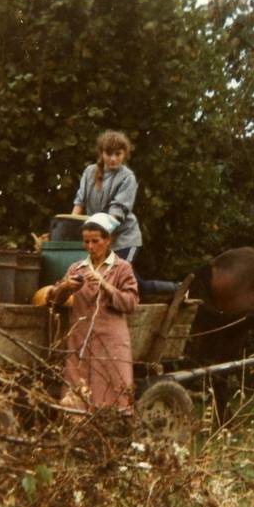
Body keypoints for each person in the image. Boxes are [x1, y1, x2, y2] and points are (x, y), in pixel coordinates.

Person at [47, 212, 140, 413]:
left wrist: (105, 284)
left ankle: (110, 440)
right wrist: (65, 288)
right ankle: (79, 441)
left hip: (110, 345)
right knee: (76, 402)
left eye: (95, 241)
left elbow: (131, 303)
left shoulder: (122, 269)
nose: (90, 247)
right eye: (86, 241)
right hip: (80, 343)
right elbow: (54, 299)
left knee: (111, 401)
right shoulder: (76, 268)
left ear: (109, 240)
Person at [71, 130, 179, 297]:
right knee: (129, 283)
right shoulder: (89, 172)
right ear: (101, 153)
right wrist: (70, 226)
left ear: (125, 154)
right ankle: (175, 288)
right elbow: (79, 202)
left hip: (123, 238)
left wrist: (98, 237)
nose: (113, 158)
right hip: (99, 237)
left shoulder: (127, 177)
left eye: (118, 154)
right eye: (109, 154)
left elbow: (116, 214)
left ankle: (175, 289)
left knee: (116, 277)